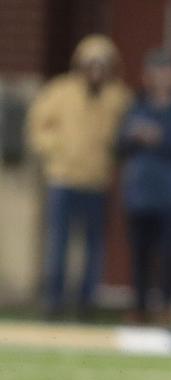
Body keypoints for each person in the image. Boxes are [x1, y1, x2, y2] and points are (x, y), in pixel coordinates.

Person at [26, 35, 132, 319]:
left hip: (97, 181)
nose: (96, 71)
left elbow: (124, 136)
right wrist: (57, 150)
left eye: (102, 66)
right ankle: (54, 301)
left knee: (94, 246)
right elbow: (38, 126)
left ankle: (86, 302)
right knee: (58, 243)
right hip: (63, 179)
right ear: (80, 65)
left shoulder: (118, 97)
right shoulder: (60, 92)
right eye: (91, 65)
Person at [117, 49, 171, 326]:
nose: (163, 77)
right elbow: (119, 145)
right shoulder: (137, 106)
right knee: (139, 254)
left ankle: (166, 306)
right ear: (148, 76)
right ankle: (139, 306)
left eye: (168, 71)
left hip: (170, 194)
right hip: (140, 193)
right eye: (157, 71)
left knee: (168, 254)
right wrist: (134, 136)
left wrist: (159, 138)